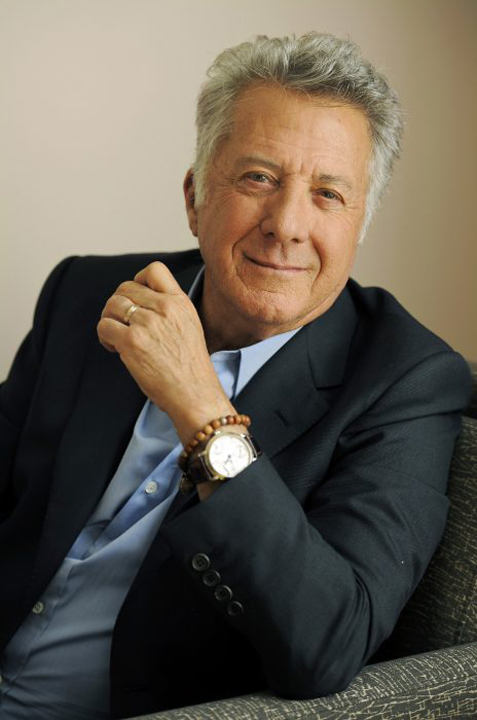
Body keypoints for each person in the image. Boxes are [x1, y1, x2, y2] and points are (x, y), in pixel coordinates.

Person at [0, 32, 471, 720]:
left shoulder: (407, 382)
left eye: (327, 194)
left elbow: (325, 644)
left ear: (359, 223)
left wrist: (200, 406)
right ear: (195, 197)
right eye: (258, 178)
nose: (287, 225)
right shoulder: (89, 294)